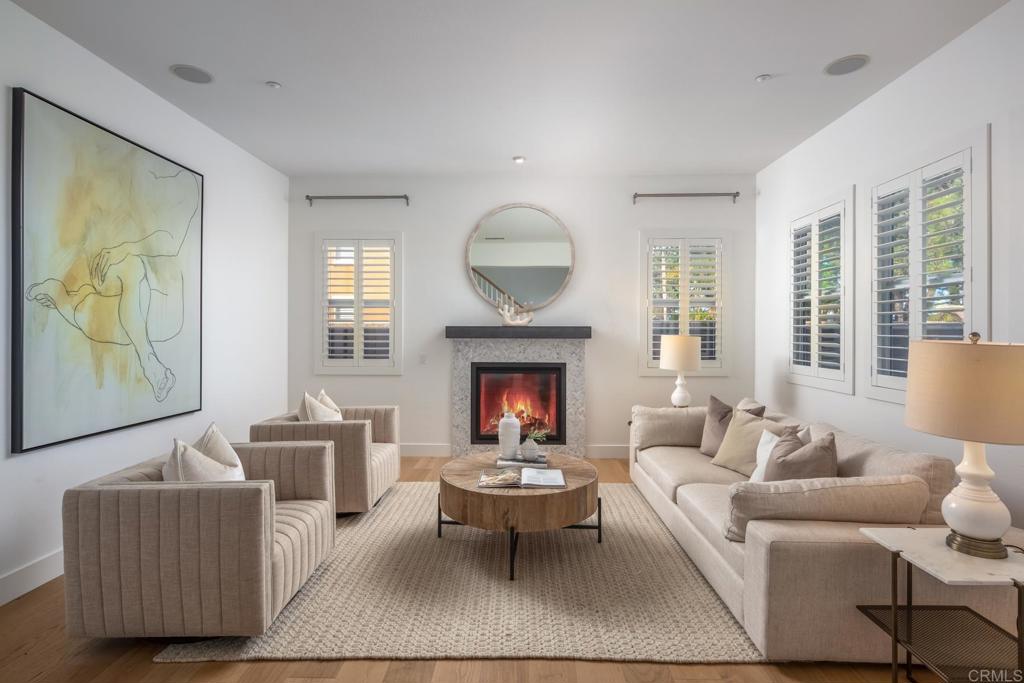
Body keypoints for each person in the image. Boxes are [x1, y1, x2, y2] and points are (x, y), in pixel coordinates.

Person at [25, 148, 199, 403]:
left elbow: (169, 242)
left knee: (132, 265)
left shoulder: (187, 185)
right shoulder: (131, 172)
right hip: (111, 267)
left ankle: (149, 363)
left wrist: (122, 249)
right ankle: (56, 289)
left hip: (150, 274)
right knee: (111, 269)